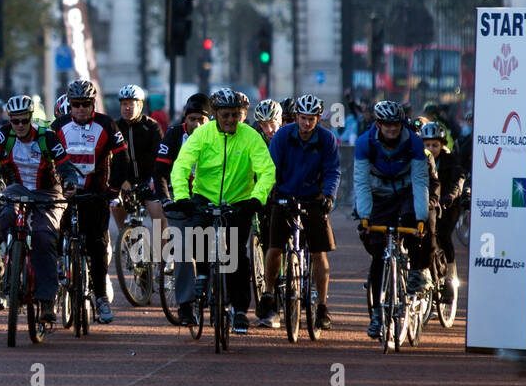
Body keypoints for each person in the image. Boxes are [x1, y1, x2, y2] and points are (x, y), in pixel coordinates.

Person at [167, 88, 275, 333]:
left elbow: (266, 170)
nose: (230, 120)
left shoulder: (250, 136)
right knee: (198, 235)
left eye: (235, 115)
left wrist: (257, 199)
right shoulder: (203, 134)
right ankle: (203, 273)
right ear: (215, 113)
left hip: (240, 200)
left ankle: (239, 310)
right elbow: (182, 165)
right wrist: (183, 196)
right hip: (205, 195)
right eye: (225, 115)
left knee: (236, 254)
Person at [0, 94, 78, 324]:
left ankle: (46, 301)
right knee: (5, 217)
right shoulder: (4, 135)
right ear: (9, 120)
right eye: (15, 121)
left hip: (48, 192)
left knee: (44, 236)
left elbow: (66, 167)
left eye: (24, 120)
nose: (20, 126)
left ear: (31, 118)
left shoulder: (47, 137)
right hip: (16, 188)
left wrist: (70, 182)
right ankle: (9, 259)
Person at [50, 79, 128, 323]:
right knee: (53, 238)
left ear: (93, 104)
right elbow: (46, 158)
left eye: (86, 104)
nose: (81, 109)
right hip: (66, 194)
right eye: (76, 104)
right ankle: (54, 291)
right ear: (70, 105)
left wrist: (112, 190)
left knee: (97, 245)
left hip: (96, 194)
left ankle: (101, 297)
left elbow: (122, 158)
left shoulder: (106, 124)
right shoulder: (58, 126)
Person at [258, 94, 339, 330]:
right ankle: (269, 293)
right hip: (284, 196)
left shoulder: (327, 139)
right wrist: (268, 194)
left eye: (311, 119)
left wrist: (329, 196)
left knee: (318, 253)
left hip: (315, 198)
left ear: (318, 118)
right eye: (303, 118)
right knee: (274, 249)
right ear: (296, 117)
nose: (306, 124)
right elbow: (270, 167)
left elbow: (333, 171)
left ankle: (322, 307)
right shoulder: (283, 136)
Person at [354, 99, 430, 339]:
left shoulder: (414, 143)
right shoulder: (364, 143)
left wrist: (421, 218)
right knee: (378, 253)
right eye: (387, 126)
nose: (392, 130)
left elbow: (420, 182)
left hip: (406, 192)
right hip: (379, 195)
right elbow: (361, 182)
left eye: (396, 126)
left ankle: (417, 269)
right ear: (377, 124)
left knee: (415, 223)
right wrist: (365, 216)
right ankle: (377, 313)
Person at [113, 83, 165, 294]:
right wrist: (121, 181)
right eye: (124, 104)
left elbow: (160, 157)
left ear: (140, 105)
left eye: (131, 104)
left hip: (149, 180)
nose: (127, 108)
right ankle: (129, 244)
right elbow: (113, 159)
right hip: (125, 182)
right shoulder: (115, 127)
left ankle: (162, 265)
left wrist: (153, 180)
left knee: (157, 215)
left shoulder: (151, 127)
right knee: (117, 210)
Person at [422, 120, 465, 288]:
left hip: (448, 204)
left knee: (443, 234)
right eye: (427, 145)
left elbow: (458, 179)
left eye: (435, 145)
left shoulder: (451, 160)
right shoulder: (419, 160)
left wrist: (451, 196)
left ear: (442, 145)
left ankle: (450, 274)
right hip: (428, 204)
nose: (431, 149)